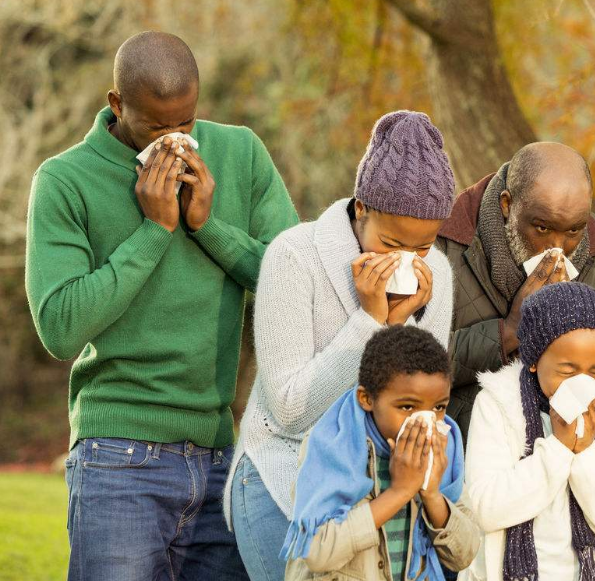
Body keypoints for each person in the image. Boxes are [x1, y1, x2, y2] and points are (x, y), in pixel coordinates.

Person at [25, 31, 299, 580]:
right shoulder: (64, 180)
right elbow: (59, 327)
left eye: (187, 123)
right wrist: (153, 233)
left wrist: (208, 228)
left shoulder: (241, 152)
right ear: (117, 105)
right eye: (158, 127)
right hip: (116, 460)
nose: (177, 141)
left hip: (221, 456)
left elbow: (293, 287)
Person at [227, 110, 457, 580]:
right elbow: (290, 413)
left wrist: (400, 320)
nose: (408, 261)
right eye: (392, 242)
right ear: (361, 208)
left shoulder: (440, 277)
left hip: (376, 490)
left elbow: (410, 405)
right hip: (281, 476)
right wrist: (370, 320)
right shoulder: (294, 257)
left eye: (423, 247)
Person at [435, 142, 595, 440]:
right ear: (507, 205)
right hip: (468, 443)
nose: (557, 248)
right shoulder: (443, 242)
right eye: (542, 228)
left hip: (570, 445)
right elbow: (412, 364)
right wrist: (509, 331)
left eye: (573, 230)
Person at [462, 282, 595, 581]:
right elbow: (486, 509)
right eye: (568, 370)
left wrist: (586, 452)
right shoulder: (498, 403)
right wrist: (559, 449)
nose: (583, 382)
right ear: (534, 361)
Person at [283, 325, 479, 581]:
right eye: (407, 406)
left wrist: (432, 495)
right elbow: (317, 552)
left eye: (439, 407)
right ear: (366, 398)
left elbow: (464, 554)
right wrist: (401, 492)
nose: (425, 421)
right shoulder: (334, 446)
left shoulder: (444, 448)